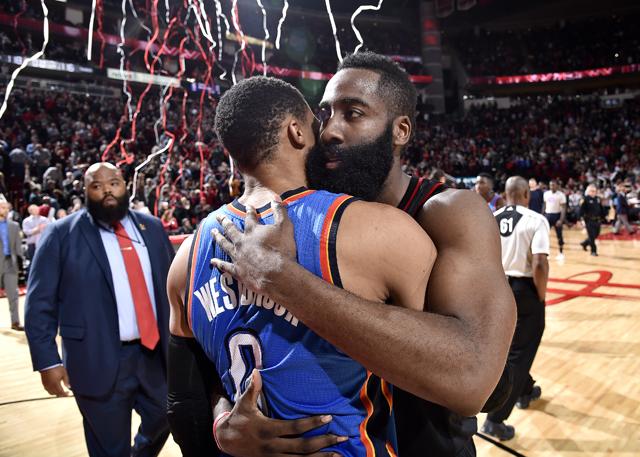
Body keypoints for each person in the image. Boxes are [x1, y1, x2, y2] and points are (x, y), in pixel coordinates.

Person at [211, 52, 516, 456]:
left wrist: (286, 280)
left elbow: (473, 377)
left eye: (353, 114)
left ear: (400, 130)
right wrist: (224, 420)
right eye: (325, 114)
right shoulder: (295, 213)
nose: (331, 131)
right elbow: (225, 339)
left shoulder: (449, 212)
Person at [166, 76, 436, 457]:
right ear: (296, 132)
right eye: (316, 123)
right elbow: (436, 369)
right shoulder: (381, 230)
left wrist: (221, 424)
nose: (326, 133)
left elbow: (182, 405)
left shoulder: (186, 258)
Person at [25, 162, 174, 457]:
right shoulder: (61, 234)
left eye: (114, 182)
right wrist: (47, 362)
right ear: (85, 192)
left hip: (153, 356)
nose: (107, 190)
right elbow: (39, 303)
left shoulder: (153, 228)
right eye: (97, 185)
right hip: (97, 358)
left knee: (167, 416)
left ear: (125, 186)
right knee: (108, 447)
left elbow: (171, 290)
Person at [482, 176, 549, 440]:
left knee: (511, 347)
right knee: (520, 352)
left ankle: (525, 389)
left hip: (495, 288)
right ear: (524, 194)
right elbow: (541, 264)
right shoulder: (536, 220)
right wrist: (540, 295)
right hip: (523, 291)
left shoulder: (491, 218)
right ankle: (495, 420)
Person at [0, 199, 23, 331]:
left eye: (6, 207)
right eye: (2, 207)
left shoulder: (14, 226)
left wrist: (19, 263)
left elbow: (18, 246)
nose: (5, 209)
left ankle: (15, 322)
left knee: (13, 295)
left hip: (10, 262)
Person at [543, 180, 567, 259]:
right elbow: (544, 205)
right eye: (550, 185)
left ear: (557, 186)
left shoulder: (561, 195)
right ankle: (546, 253)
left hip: (557, 215)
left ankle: (561, 253)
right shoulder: (546, 194)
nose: (552, 187)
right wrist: (542, 216)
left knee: (559, 235)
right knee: (545, 236)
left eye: (553, 185)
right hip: (547, 215)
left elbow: (563, 208)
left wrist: (561, 219)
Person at [580, 184, 603, 256]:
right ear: (588, 191)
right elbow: (581, 211)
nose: (593, 192)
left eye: (595, 191)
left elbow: (601, 209)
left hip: (597, 220)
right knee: (592, 237)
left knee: (596, 234)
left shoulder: (597, 199)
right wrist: (581, 220)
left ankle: (585, 243)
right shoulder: (585, 199)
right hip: (589, 221)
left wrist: (604, 216)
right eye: (592, 191)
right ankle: (593, 251)